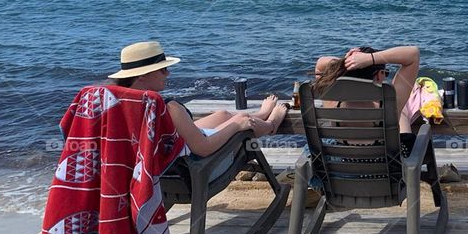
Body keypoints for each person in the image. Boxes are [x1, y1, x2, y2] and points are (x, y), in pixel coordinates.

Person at [108, 41, 285, 157]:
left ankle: (261, 113)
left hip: (166, 147)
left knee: (223, 114)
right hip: (189, 161)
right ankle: (271, 124)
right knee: (242, 120)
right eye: (163, 69)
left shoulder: (116, 102)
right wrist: (237, 126)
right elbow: (203, 148)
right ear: (142, 76)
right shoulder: (168, 107)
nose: (168, 73)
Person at [313, 45, 420, 134]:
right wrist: (371, 58)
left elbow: (320, 65)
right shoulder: (390, 106)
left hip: (340, 158)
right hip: (383, 158)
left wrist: (345, 62)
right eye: (385, 73)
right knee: (402, 113)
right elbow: (413, 54)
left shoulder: (332, 102)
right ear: (379, 75)